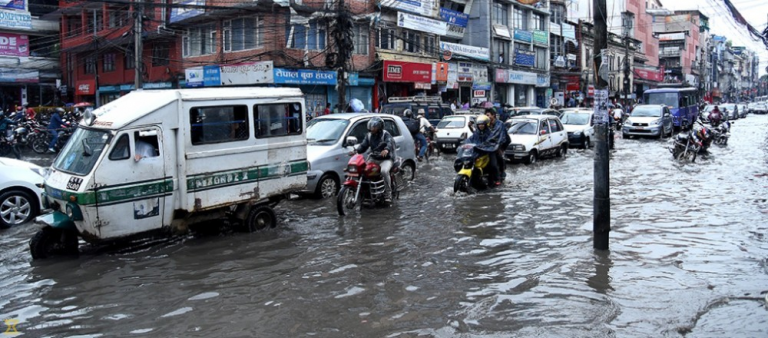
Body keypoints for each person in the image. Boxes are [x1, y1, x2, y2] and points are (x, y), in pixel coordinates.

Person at [349, 116, 396, 203]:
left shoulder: (385, 134)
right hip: (373, 157)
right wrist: (356, 151)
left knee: (384, 171)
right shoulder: (369, 136)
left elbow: (389, 142)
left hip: (386, 159)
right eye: (371, 126)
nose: (372, 128)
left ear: (379, 127)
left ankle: (388, 194)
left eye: (374, 126)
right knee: (363, 170)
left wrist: (386, 149)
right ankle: (365, 192)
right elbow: (363, 145)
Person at [465, 115, 500, 187]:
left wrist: (490, 145)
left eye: (482, 124)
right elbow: (470, 139)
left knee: (493, 165)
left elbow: (494, 141)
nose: (481, 126)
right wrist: (464, 144)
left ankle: (497, 179)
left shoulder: (490, 133)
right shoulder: (476, 133)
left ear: (486, 125)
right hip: (478, 151)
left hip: (488, 151)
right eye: (479, 124)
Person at [485, 108, 510, 183]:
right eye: (485, 115)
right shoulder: (485, 124)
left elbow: (503, 137)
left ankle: (498, 178)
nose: (486, 117)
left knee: (495, 161)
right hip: (486, 147)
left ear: (493, 115)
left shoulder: (500, 124)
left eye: (488, 115)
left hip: (498, 146)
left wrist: (500, 147)